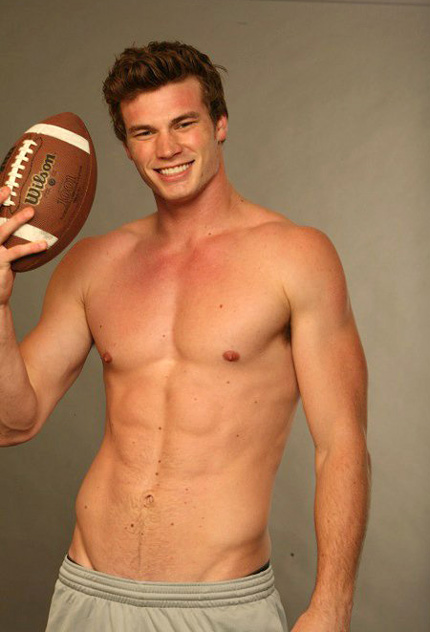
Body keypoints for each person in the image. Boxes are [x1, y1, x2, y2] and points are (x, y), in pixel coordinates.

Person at [0, 41, 371, 632]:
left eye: (183, 123)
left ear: (219, 124)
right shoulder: (94, 264)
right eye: (144, 132)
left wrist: (332, 606)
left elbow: (341, 444)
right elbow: (14, 423)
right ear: (126, 147)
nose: (166, 148)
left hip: (220, 604)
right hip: (87, 590)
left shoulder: (296, 257)